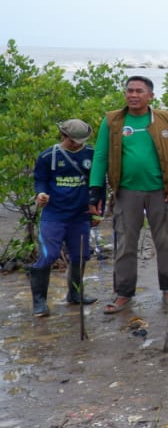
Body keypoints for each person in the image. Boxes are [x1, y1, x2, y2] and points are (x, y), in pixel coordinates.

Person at [89, 75, 168, 314]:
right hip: (127, 191)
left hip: (159, 191)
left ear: (150, 96)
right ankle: (123, 293)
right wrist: (94, 190)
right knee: (125, 243)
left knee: (165, 242)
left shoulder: (165, 120)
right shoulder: (112, 121)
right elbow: (100, 156)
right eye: (129, 90)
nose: (133, 95)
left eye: (139, 91)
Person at [31, 119, 97, 317]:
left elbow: (97, 183)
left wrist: (96, 209)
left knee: (81, 255)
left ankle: (75, 294)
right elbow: (40, 180)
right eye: (73, 140)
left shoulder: (91, 155)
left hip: (80, 216)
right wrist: (41, 195)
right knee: (49, 255)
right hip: (54, 215)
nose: (77, 144)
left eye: (80, 141)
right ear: (63, 136)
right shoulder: (48, 156)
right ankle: (39, 302)